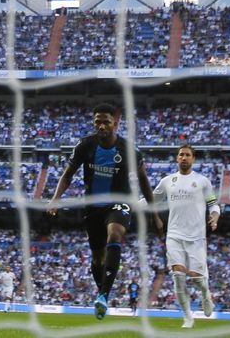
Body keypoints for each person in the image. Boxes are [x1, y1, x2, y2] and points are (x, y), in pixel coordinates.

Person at [47, 103, 163, 320]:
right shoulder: (85, 146)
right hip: (92, 207)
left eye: (106, 122)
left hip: (119, 203)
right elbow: (68, 174)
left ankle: (102, 295)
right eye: (97, 122)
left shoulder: (128, 150)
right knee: (98, 258)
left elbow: (144, 182)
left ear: (115, 124)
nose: (101, 126)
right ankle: (103, 294)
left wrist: (155, 215)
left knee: (115, 232)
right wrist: (55, 199)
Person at [142, 145, 220, 328]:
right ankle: (187, 317)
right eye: (181, 155)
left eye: (187, 155)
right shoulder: (168, 181)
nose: (184, 158)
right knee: (178, 275)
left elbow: (214, 204)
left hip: (196, 237)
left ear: (193, 159)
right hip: (174, 235)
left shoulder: (202, 181)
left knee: (196, 278)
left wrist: (215, 216)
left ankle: (206, 294)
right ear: (177, 158)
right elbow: (151, 200)